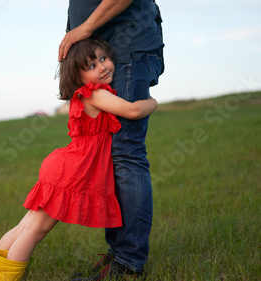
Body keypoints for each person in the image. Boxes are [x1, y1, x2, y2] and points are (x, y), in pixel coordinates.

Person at [0, 37, 158, 281]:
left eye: (104, 58)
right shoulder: (95, 94)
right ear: (78, 76)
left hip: (63, 166)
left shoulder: (83, 95)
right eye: (91, 66)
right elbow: (132, 111)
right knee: (35, 230)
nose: (102, 67)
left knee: (26, 226)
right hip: (71, 171)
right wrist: (153, 102)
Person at [58, 0, 165, 280]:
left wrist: (84, 29)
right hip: (110, 45)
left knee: (126, 154)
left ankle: (128, 261)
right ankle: (119, 253)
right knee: (113, 156)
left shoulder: (106, 57)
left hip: (126, 45)